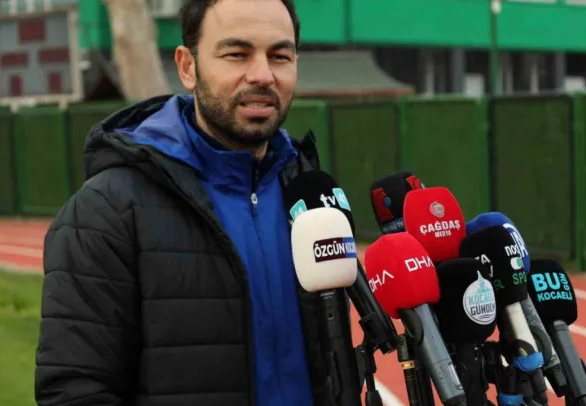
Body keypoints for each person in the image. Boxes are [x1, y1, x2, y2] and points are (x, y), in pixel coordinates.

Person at [33, 0, 356, 405]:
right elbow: (75, 391)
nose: (262, 74)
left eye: (279, 56)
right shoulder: (106, 212)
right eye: (237, 54)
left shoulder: (309, 195)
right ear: (188, 67)